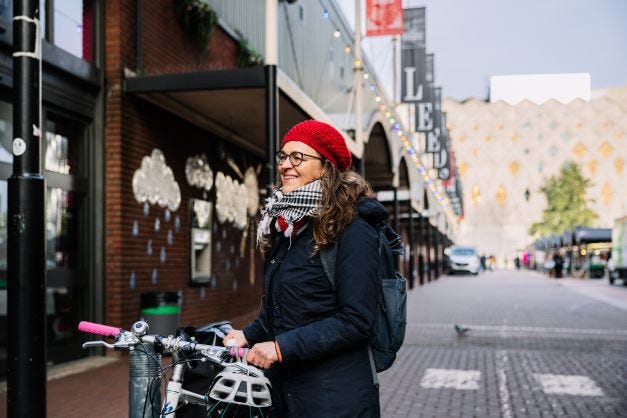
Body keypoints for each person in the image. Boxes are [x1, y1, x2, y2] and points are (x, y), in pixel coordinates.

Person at [224, 120, 382, 417]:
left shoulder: (354, 230)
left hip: (334, 398)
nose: (286, 165)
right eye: (283, 156)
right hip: (287, 390)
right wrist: (248, 334)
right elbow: (286, 307)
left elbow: (357, 321)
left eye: (298, 157)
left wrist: (281, 347)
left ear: (326, 167)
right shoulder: (289, 227)